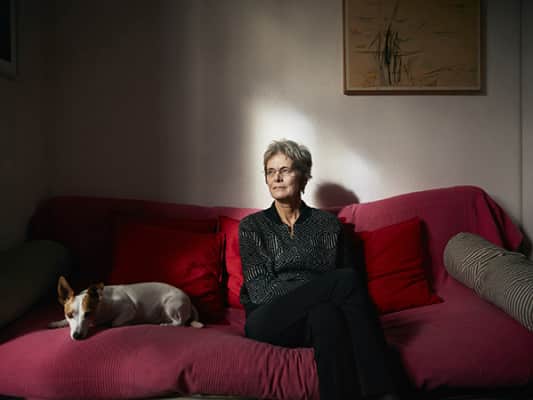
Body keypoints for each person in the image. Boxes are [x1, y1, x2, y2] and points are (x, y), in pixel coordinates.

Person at [239, 139, 400, 400]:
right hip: (268, 319)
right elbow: (260, 292)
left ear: (303, 176)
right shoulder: (252, 227)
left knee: (327, 316)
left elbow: (350, 297)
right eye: (270, 172)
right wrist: (320, 288)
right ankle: (383, 391)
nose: (276, 178)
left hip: (314, 317)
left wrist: (322, 294)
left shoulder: (328, 225)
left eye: (285, 170)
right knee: (344, 282)